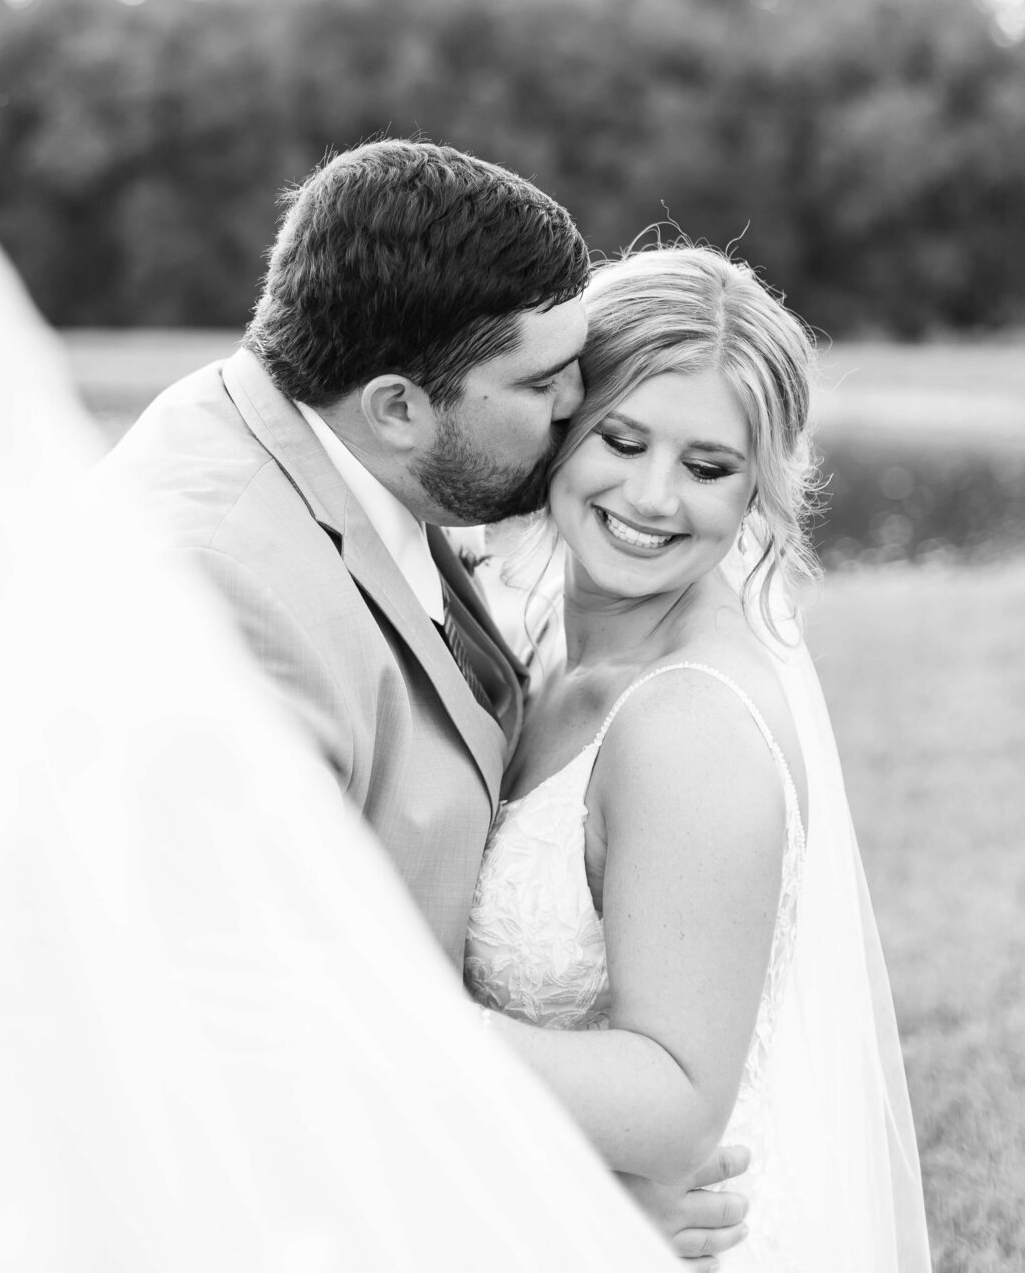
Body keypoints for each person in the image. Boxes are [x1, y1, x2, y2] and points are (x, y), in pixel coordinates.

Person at [98, 140, 751, 1263]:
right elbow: (230, 1039)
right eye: (544, 384)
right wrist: (552, 1206)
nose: (576, 406)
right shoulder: (222, 598)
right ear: (398, 404)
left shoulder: (309, 437)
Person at [464, 243, 932, 1271]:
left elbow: (675, 1102)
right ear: (561, 423)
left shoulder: (690, 727)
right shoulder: (544, 633)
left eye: (709, 467)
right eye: (621, 440)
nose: (653, 498)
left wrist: (386, 1019)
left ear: (759, 488)